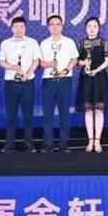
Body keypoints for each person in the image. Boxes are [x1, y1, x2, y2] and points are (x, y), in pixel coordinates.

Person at [0, 17, 40, 153]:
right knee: (11, 116)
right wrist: (13, 67)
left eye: (21, 26)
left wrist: (28, 73)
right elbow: (1, 62)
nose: (19, 29)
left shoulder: (32, 42)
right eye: (16, 27)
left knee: (28, 115)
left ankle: (29, 144)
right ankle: (9, 144)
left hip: (27, 82)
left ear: (25, 28)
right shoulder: (5, 43)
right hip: (11, 83)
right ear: (11, 28)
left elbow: (36, 61)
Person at [38, 15, 78, 153]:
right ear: (48, 27)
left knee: (64, 113)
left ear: (62, 26)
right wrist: (50, 64)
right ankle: (47, 144)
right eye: (52, 24)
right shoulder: (44, 43)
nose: (55, 27)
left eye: (58, 24)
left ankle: (63, 144)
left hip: (65, 80)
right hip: (48, 80)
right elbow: (40, 63)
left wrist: (66, 69)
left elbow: (74, 59)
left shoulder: (69, 42)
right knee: (47, 113)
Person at [77, 17, 108, 153]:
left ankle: (97, 141)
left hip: (99, 77)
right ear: (85, 28)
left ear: (99, 28)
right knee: (88, 110)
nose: (92, 28)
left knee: (99, 109)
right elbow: (77, 61)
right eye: (89, 26)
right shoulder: (81, 43)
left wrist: (96, 70)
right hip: (86, 78)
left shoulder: (104, 42)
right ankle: (90, 141)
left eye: (95, 26)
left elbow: (107, 61)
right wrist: (83, 63)